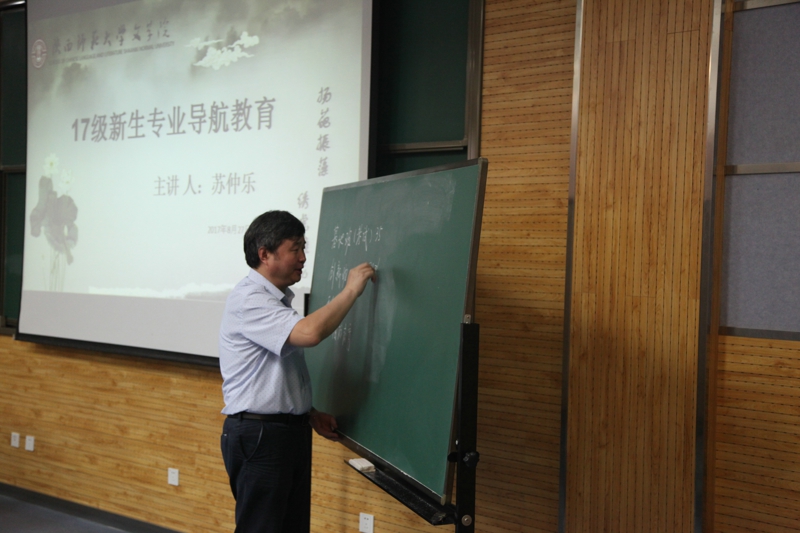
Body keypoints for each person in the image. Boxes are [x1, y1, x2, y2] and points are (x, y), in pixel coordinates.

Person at [219, 210, 375, 533]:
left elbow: (274, 373)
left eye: (304, 248)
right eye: (295, 249)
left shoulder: (276, 300)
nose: (303, 258)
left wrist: (309, 413)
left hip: (285, 434)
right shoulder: (250, 299)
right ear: (265, 254)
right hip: (261, 437)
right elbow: (310, 333)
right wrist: (350, 291)